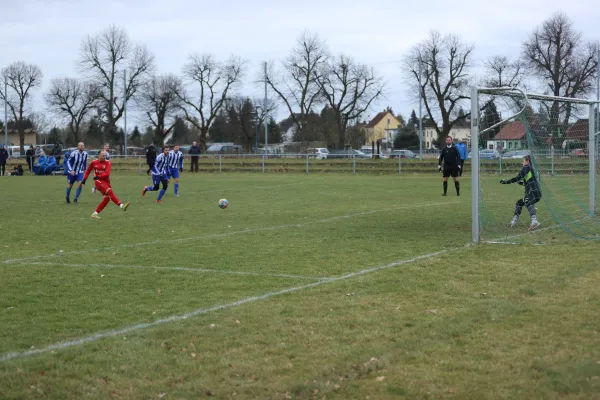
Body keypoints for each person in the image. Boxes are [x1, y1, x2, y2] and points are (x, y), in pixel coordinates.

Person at [82, 150, 130, 219]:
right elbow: (88, 170)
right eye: (103, 155)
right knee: (109, 191)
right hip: (98, 182)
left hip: (106, 182)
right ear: (99, 155)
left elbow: (107, 173)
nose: (105, 157)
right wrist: (85, 178)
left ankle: (95, 214)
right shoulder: (94, 162)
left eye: (105, 155)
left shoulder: (108, 163)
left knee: (107, 199)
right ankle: (122, 205)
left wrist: (99, 176)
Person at [500, 155, 541, 231]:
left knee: (528, 203)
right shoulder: (533, 169)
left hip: (531, 191)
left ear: (527, 161)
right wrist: (521, 183)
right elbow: (529, 181)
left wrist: (505, 182)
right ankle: (514, 221)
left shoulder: (526, 167)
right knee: (519, 203)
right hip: (537, 192)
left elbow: (517, 178)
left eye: (523, 161)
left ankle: (534, 220)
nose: (522, 162)